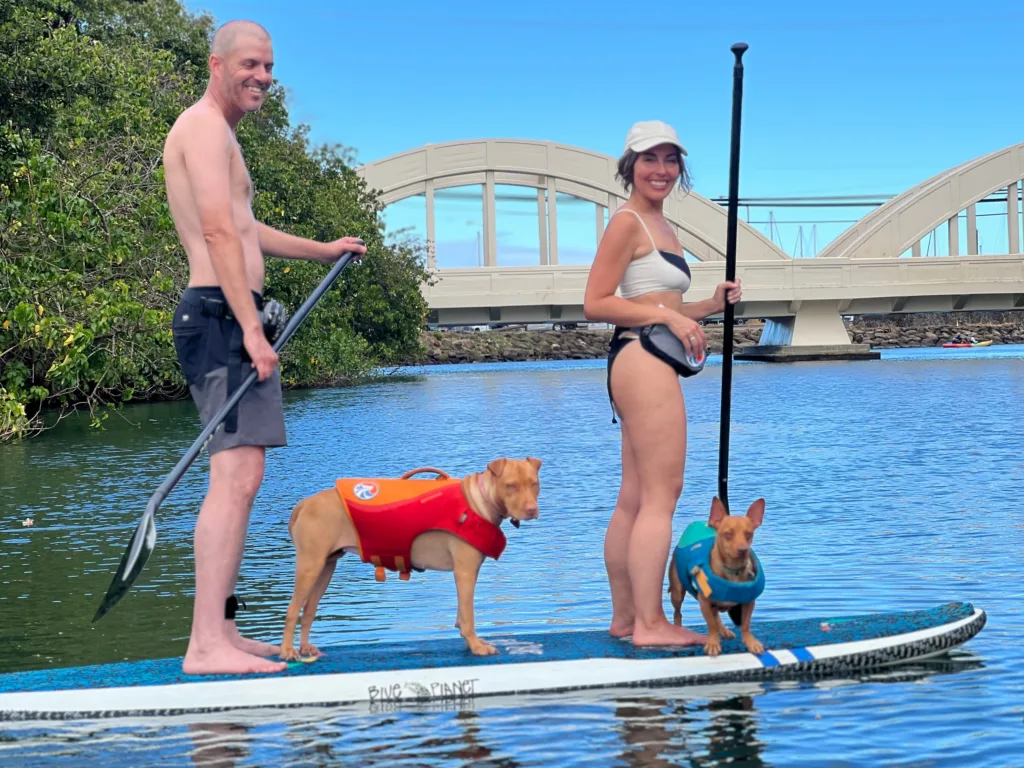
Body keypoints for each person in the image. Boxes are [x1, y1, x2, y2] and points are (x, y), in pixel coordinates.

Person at [162, 19, 366, 675]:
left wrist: (322, 249)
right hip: (220, 319)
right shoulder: (200, 127)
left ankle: (223, 630)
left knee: (245, 478)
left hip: (229, 317)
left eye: (270, 67)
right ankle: (205, 646)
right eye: (251, 64)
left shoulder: (221, 137)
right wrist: (251, 329)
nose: (264, 77)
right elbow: (220, 234)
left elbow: (247, 229)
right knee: (235, 477)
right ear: (217, 64)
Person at [583, 120, 743, 647]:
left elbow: (662, 304)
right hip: (643, 358)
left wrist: (706, 307)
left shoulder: (660, 224)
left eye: (671, 160)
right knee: (661, 496)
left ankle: (627, 620)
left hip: (640, 355)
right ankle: (651, 624)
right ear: (629, 166)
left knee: (634, 497)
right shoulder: (628, 222)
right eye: (650, 159)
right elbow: (597, 301)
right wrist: (671, 320)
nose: (662, 170)